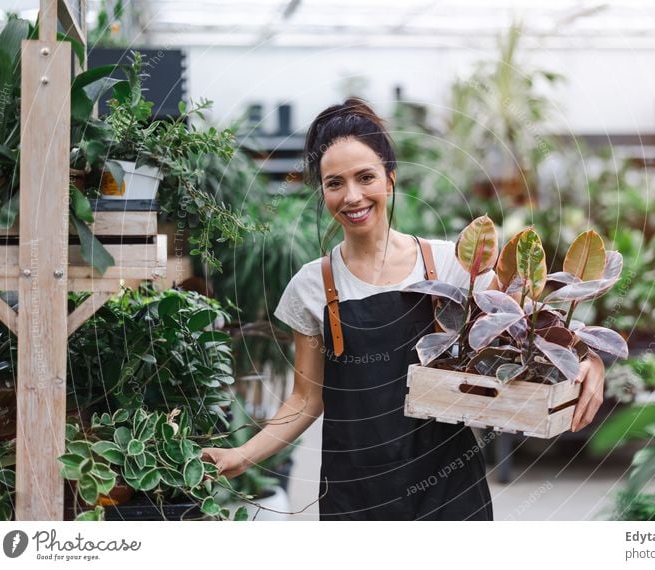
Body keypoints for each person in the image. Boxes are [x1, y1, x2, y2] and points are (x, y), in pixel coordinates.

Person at [201, 97, 606, 520]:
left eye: (365, 177)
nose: (352, 196)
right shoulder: (311, 285)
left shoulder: (452, 266)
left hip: (448, 491)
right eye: (335, 183)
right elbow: (306, 398)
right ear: (321, 191)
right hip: (357, 495)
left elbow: (530, 326)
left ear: (390, 179)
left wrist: (587, 357)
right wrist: (242, 456)